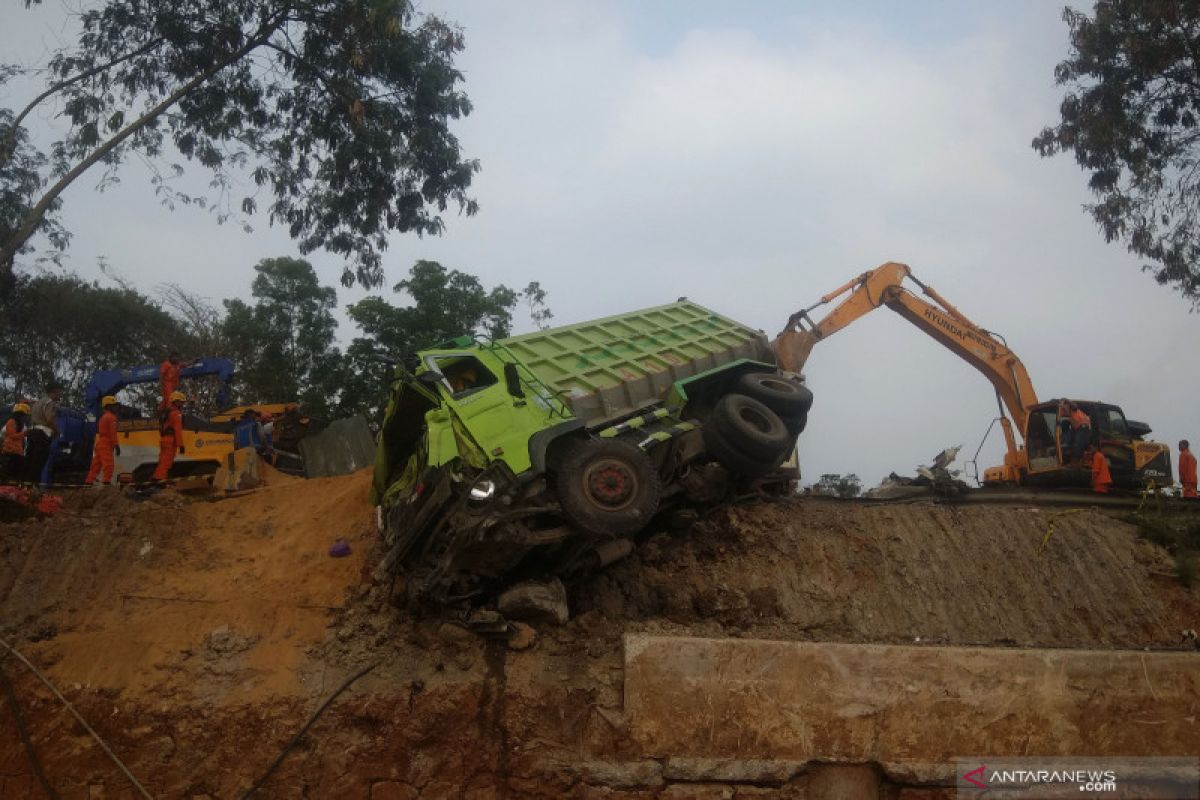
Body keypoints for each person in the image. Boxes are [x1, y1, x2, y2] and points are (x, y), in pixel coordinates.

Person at [24, 383, 63, 485]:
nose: (61, 394)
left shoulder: (37, 403)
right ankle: (33, 488)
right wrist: (57, 431)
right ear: (54, 391)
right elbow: (49, 419)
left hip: (33, 433)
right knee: (38, 462)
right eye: (60, 391)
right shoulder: (50, 403)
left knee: (30, 461)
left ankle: (25, 487)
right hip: (42, 435)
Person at [85, 396, 121, 487]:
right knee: (108, 464)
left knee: (96, 465)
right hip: (106, 444)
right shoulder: (111, 417)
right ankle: (106, 482)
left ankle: (88, 483)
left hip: (100, 443)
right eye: (114, 405)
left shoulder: (103, 417)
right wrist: (116, 445)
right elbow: (112, 433)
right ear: (108, 406)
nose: (116, 407)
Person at [152, 391, 186, 482]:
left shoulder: (166, 412)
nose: (182, 404)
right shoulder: (176, 413)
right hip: (170, 440)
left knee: (162, 461)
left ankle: (157, 477)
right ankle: (159, 479)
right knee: (166, 462)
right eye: (181, 402)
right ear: (176, 401)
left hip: (164, 439)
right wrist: (181, 445)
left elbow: (162, 428)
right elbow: (178, 430)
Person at [2, 402, 30, 481]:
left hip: (17, 452)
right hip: (10, 451)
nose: (25, 417)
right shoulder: (11, 422)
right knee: (9, 474)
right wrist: (25, 433)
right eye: (24, 415)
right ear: (19, 414)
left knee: (18, 474)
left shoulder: (21, 424)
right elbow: (12, 436)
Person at [1067, 401, 1092, 467]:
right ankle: (1079, 461)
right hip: (1081, 429)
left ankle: (1076, 462)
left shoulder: (1077, 410)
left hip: (1084, 428)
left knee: (1078, 445)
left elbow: (1074, 406)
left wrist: (1066, 400)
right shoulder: (1071, 414)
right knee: (1078, 444)